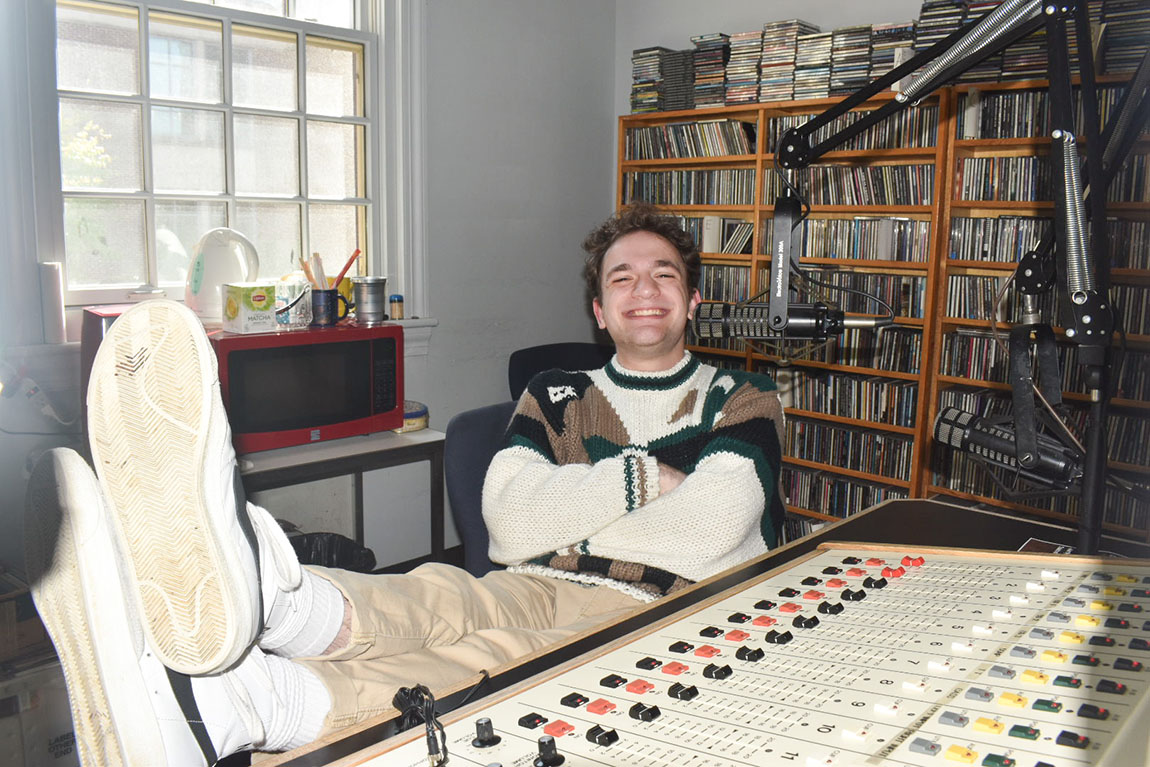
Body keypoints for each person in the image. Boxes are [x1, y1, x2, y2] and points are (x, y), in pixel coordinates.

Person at [25, 203, 786, 766]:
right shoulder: (556, 391)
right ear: (598, 308)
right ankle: (268, 592)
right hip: (531, 576)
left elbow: (704, 529)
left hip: (654, 605)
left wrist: (569, 508)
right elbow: (510, 528)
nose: (643, 290)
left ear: (691, 300)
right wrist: (647, 475)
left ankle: (236, 705)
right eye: (623, 276)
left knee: (488, 655)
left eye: (664, 275)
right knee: (438, 593)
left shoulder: (743, 397)